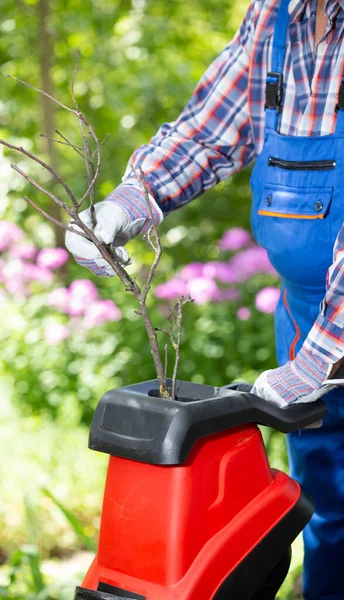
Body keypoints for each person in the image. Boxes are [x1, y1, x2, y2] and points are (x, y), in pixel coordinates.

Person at [65, 1, 344, 597]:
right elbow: (210, 128)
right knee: (328, 508)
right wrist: (130, 202)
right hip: (303, 317)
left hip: (331, 336)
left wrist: (323, 360)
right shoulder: (278, 16)